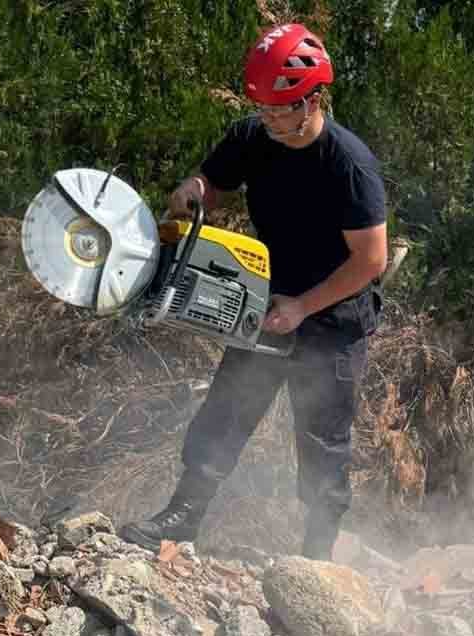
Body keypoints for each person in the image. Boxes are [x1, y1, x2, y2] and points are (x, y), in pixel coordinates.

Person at [119, 23, 388, 562]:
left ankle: (316, 558)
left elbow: (371, 260)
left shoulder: (348, 164)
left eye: (277, 108)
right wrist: (192, 193)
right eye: (260, 106)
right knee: (227, 410)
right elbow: (211, 185)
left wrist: (304, 306)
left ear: (311, 100)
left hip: (333, 318)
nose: (266, 118)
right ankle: (182, 518)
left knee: (322, 442)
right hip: (266, 305)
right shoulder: (252, 138)